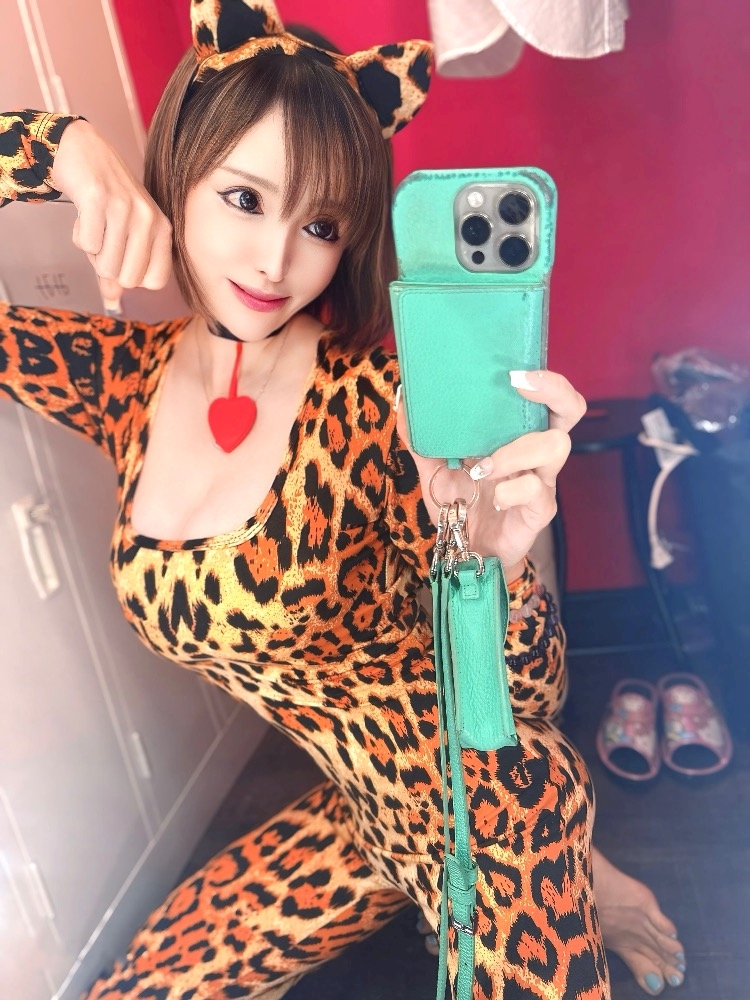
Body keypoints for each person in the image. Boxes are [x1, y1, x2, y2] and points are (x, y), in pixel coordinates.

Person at [0, 2, 684, 997]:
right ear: (176, 172)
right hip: (351, 811)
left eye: (320, 224)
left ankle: (574, 862)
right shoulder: (123, 379)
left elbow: (523, 700)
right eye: (244, 198)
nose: (277, 261)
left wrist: (501, 566)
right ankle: (578, 874)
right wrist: (53, 149)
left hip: (485, 797)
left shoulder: (375, 406)